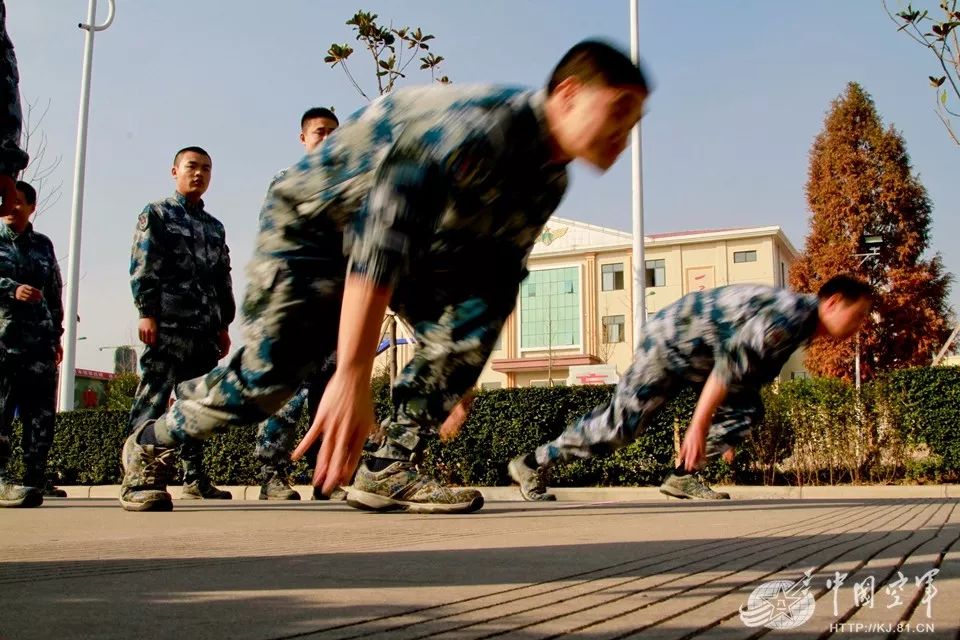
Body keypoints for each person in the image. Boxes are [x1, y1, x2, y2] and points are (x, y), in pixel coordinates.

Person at [118, 39, 650, 514]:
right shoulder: (478, 129)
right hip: (316, 229)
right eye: (618, 111)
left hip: (410, 245)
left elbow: (483, 282)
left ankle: (387, 467)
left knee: (494, 290)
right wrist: (351, 372)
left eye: (635, 122)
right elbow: (379, 242)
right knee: (269, 381)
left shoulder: (546, 180)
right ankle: (149, 441)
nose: (625, 135)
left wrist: (452, 365)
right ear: (569, 92)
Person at [508, 275, 873, 501]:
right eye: (856, 317)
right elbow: (729, 366)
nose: (857, 327)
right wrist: (700, 427)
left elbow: (742, 377)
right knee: (620, 428)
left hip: (699, 354)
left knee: (747, 410)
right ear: (834, 302)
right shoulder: (789, 317)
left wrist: (726, 432)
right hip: (670, 344)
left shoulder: (801, 323)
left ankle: (683, 478)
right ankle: (530, 463)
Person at [127, 147, 235, 502]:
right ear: (175, 170)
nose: (199, 173)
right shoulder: (157, 214)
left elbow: (222, 279)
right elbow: (144, 264)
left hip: (204, 330)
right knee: (153, 399)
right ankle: (139, 477)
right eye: (192, 166)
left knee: (197, 406)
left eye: (206, 168)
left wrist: (223, 325)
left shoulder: (214, 227)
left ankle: (195, 477)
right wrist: (146, 311)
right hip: (167, 326)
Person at [256, 107, 341, 501]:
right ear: (303, 138)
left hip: (335, 308)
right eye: (319, 132)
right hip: (295, 305)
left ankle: (326, 477)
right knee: (288, 394)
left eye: (333, 133)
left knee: (328, 394)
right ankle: (271, 475)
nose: (327, 139)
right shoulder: (286, 182)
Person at [0, 181, 64, 507]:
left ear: (31, 207)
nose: (12, 207)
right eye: (9, 201)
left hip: (39, 344)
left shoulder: (43, 245)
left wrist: (57, 335)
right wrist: (10, 289)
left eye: (20, 202)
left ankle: (35, 478)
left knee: (40, 417)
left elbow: (54, 290)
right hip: (3, 344)